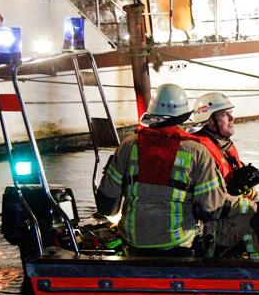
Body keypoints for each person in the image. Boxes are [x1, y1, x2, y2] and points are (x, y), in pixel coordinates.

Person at [94, 83, 227, 255]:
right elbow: (211, 210)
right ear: (183, 115)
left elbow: (106, 206)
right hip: (178, 246)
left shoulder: (128, 146)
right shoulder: (197, 152)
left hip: (133, 245)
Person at [188, 92, 259, 258]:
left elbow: (243, 190)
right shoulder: (202, 153)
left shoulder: (224, 147)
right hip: (211, 223)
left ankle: (234, 256)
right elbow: (212, 204)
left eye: (230, 113)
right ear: (209, 121)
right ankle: (251, 274)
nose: (231, 118)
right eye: (225, 115)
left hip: (228, 212)